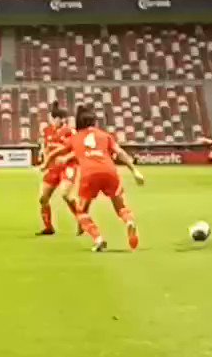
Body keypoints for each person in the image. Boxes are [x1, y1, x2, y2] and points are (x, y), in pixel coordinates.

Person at [60, 103, 145, 252]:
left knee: (82, 211)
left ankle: (98, 238)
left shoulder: (75, 138)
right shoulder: (104, 135)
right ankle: (129, 221)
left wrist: (55, 159)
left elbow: (61, 150)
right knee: (121, 207)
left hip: (89, 174)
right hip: (109, 170)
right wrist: (135, 171)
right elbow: (120, 153)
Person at [35, 101, 78, 236]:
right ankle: (48, 227)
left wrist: (66, 158)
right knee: (43, 198)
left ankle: (82, 219)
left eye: (54, 118)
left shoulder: (70, 132)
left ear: (61, 119)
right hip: (53, 168)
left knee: (66, 195)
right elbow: (47, 148)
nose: (52, 121)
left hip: (68, 166)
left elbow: (78, 149)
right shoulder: (47, 131)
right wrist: (45, 161)